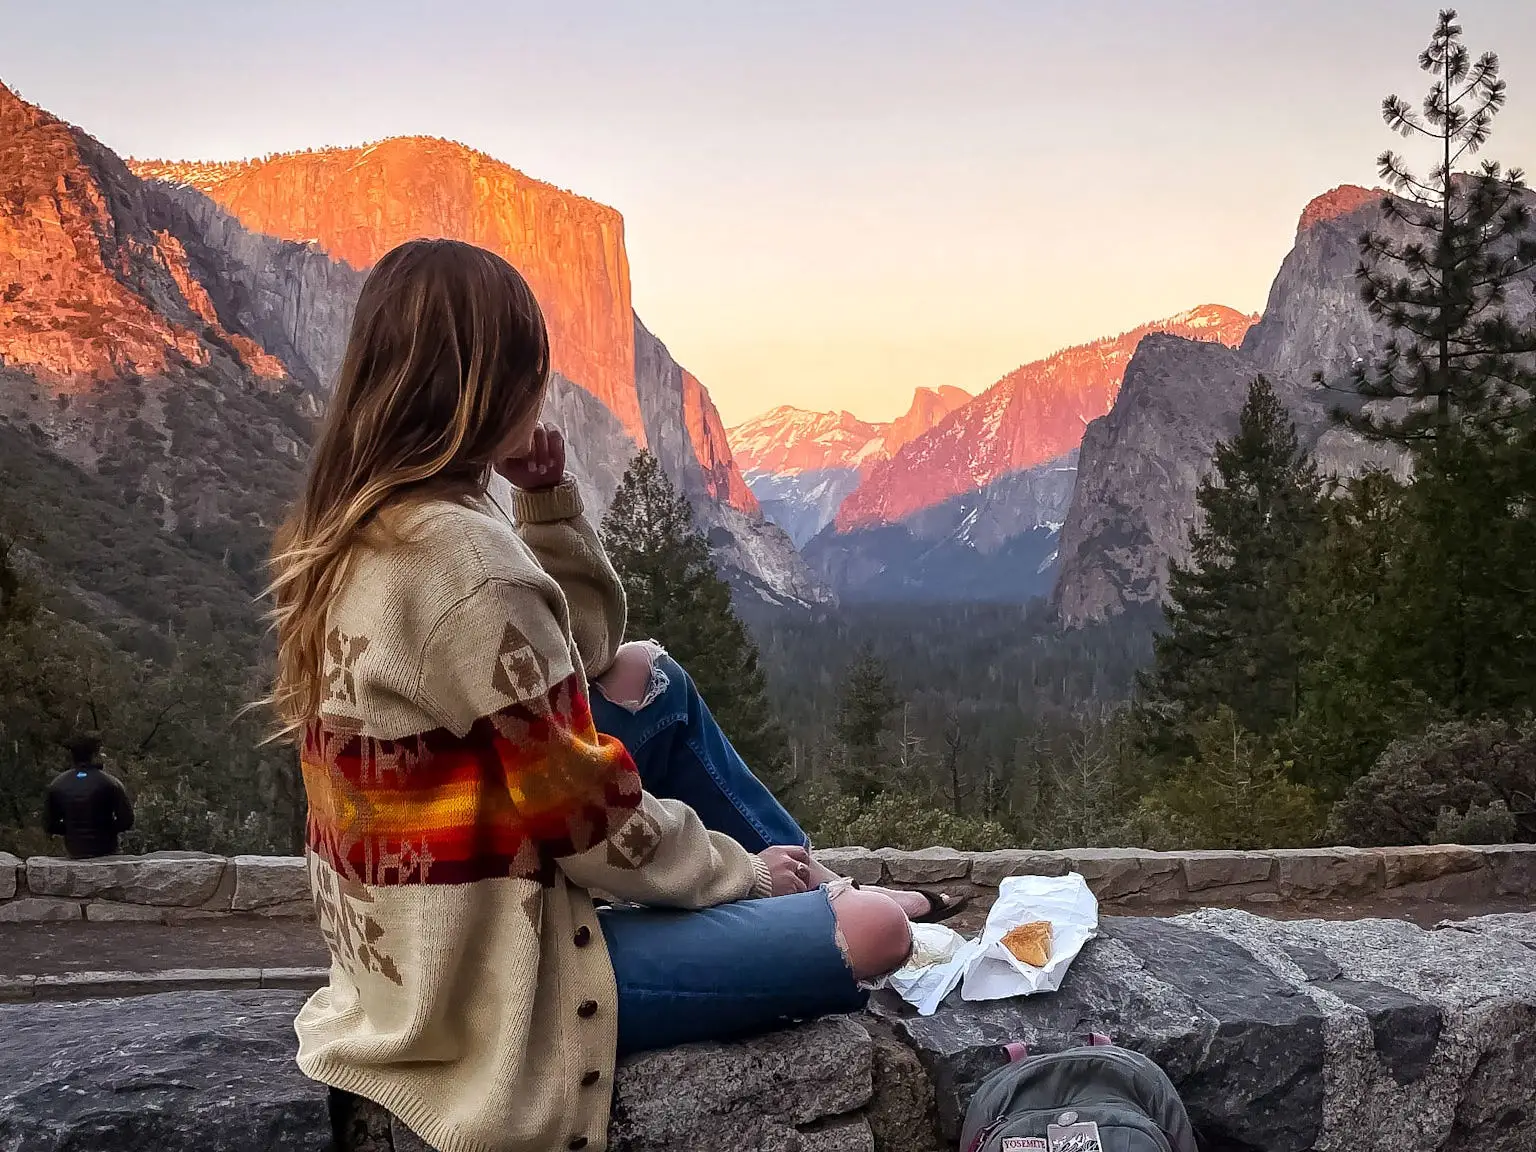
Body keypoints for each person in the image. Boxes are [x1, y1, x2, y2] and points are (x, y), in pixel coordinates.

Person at [267, 239, 961, 1152]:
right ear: (492, 384)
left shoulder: (364, 522)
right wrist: (737, 874)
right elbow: (583, 825)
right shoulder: (465, 566)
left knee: (648, 676)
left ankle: (811, 881)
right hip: (502, 981)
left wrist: (546, 507)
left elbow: (580, 653)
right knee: (875, 936)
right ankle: (817, 893)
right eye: (532, 372)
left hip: (409, 956)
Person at [43, 734, 134, 858]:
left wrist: (72, 829)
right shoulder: (111, 783)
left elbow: (49, 824)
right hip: (107, 851)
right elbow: (127, 820)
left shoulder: (57, 784)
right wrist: (106, 829)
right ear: (94, 755)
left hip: (75, 852)